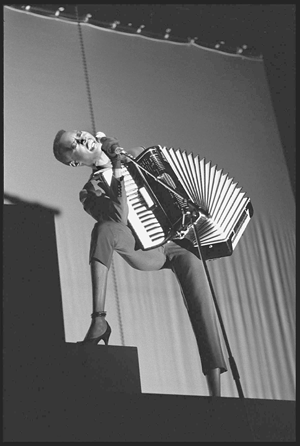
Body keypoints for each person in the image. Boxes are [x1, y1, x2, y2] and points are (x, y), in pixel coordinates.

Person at [53, 129, 227, 396]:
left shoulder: (136, 155)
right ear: (74, 162)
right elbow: (119, 217)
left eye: (79, 133)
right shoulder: (90, 192)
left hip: (178, 242)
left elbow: (177, 185)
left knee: (200, 300)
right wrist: (117, 168)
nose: (82, 138)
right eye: (74, 144)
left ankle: (216, 392)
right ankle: (99, 320)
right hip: (145, 249)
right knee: (104, 230)